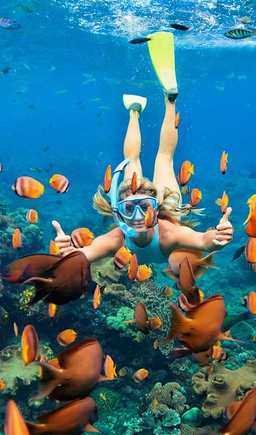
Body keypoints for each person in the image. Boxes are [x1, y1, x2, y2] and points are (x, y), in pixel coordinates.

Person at [52, 31, 233, 264]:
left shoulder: (169, 234)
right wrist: (69, 253)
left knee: (137, 159)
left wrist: (216, 239)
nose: (138, 217)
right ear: (120, 213)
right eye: (130, 209)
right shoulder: (117, 238)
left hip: (164, 209)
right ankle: (160, 102)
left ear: (156, 209)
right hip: (170, 204)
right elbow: (83, 255)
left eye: (144, 207)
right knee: (163, 159)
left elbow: (202, 241)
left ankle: (143, 108)